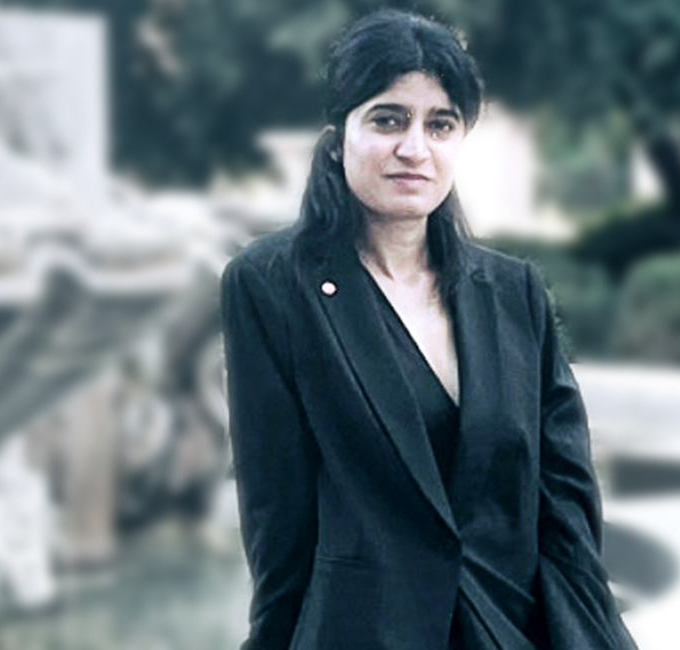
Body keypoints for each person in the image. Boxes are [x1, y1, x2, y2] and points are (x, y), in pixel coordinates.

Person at [220, 9, 639, 650]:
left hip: (507, 630)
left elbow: (568, 511)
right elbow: (277, 517)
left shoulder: (514, 293)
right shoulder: (272, 286)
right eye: (388, 119)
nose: (414, 148)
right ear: (339, 135)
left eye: (439, 124)